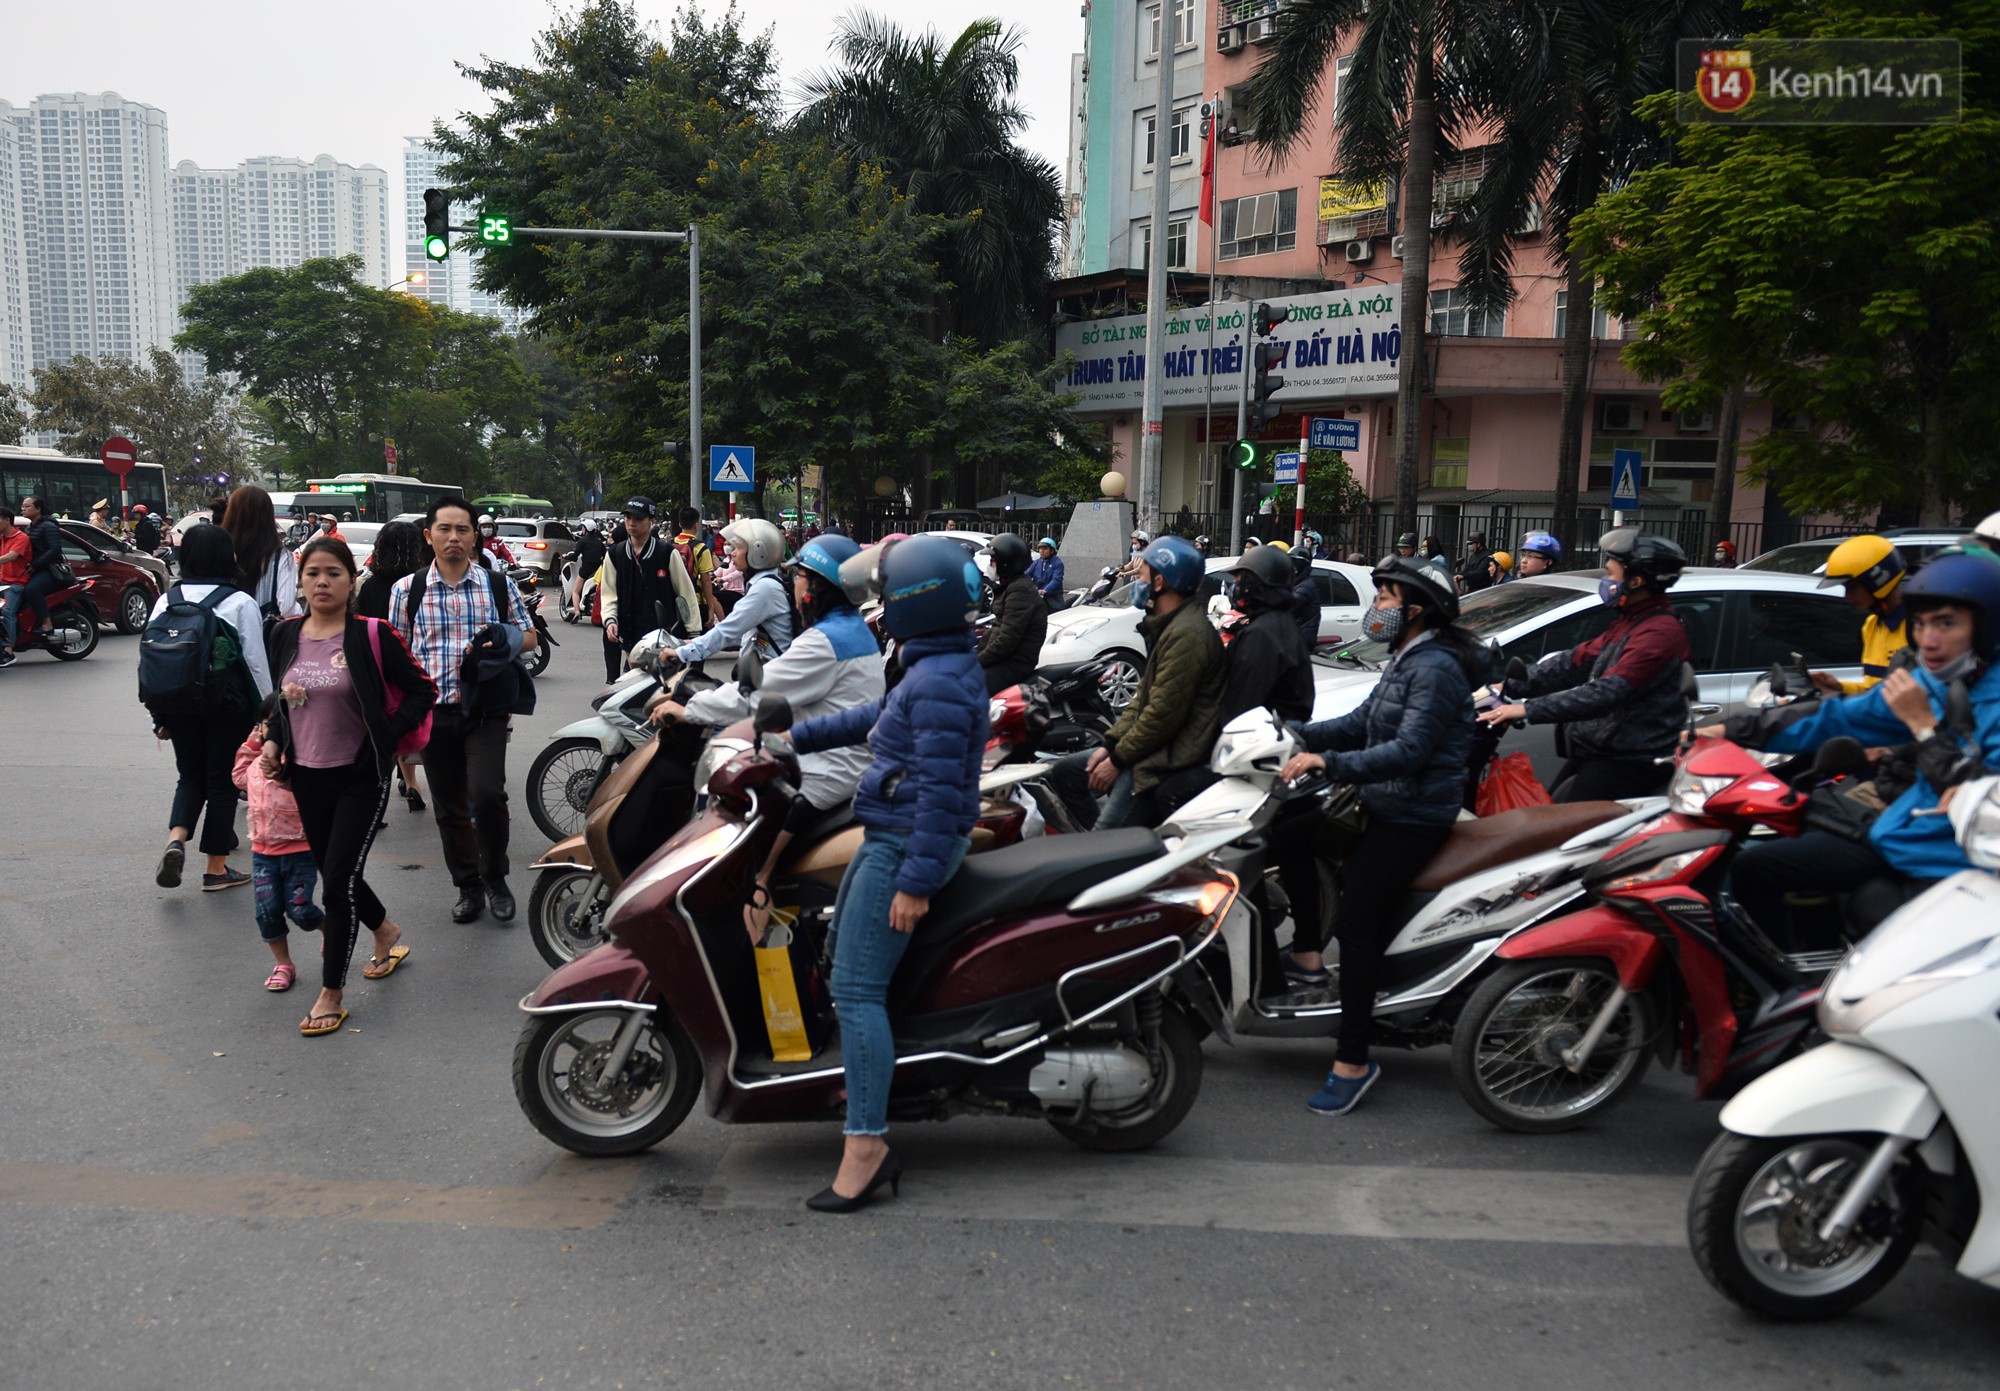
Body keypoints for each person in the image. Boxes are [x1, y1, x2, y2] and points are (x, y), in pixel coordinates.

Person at [783, 535, 988, 1211]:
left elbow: (938, 792)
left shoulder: (938, 680)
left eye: (888, 595)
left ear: (914, 601)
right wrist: (791, 734)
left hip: (903, 844)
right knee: (840, 959)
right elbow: (879, 718)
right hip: (889, 833)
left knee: (856, 990)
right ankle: (864, 1086)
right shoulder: (935, 667)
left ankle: (867, 1145)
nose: (879, 606)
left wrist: (915, 883)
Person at [1714, 550, 2000, 951]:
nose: (1928, 640)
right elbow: (1839, 717)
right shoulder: (1934, 682)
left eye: (1946, 623)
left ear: (1985, 628)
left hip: (1956, 861)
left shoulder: (1985, 699)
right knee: (1755, 867)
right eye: (1920, 624)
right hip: (1900, 839)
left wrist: (1922, 727)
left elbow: (1982, 803)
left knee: (1873, 910)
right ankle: (1788, 980)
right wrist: (1729, 729)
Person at [1277, 556, 1480, 1115]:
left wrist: (1328, 762)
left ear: (1416, 611)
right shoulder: (1407, 657)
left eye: (1387, 598)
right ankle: (1306, 955)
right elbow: (1361, 722)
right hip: (1381, 798)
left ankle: (1353, 1060)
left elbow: (1409, 751)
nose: (1378, 607)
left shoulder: (1435, 668)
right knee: (1288, 834)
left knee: (1357, 927)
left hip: (1412, 814)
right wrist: (1292, 735)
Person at [652, 534, 886, 934]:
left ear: (817, 588)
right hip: (826, 751)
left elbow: (756, 692)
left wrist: (689, 710)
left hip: (827, 769)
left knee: (746, 853)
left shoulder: (825, 642)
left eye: (799, 577)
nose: (793, 584)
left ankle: (755, 916)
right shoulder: (851, 630)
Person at [265, 537, 438, 1036]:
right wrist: (274, 741)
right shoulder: (284, 634)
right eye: (313, 573)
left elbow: (422, 690)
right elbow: (279, 702)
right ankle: (386, 929)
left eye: (333, 573)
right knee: (337, 869)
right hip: (307, 775)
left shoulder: (372, 634)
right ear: (301, 582)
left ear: (350, 580)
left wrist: (383, 739)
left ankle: (331, 993)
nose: (322, 582)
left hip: (360, 776)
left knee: (337, 881)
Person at [389, 499, 537, 924]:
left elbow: (529, 636)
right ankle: (468, 886)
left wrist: (503, 638)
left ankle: (496, 879)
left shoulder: (497, 585)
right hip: (434, 712)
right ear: (429, 535)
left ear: (475, 536)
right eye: (445, 529)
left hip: (485, 709)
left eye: (462, 529)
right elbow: (396, 651)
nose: (453, 537)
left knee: (488, 794)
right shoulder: (407, 589)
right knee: (449, 805)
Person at [1478, 529, 1691, 802]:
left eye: (1611, 573)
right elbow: (1576, 661)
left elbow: (1607, 692)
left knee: (1560, 824)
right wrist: (1508, 686)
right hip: (1603, 749)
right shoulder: (1632, 621)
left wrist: (1525, 709)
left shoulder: (1658, 633)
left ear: (1636, 581)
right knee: (1550, 811)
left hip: (1629, 760)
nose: (1606, 581)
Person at [1048, 536, 1224, 831]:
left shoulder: (1188, 635)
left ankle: (1108, 847)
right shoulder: (1168, 626)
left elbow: (1161, 715)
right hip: (1147, 747)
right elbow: (1141, 700)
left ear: (1160, 582)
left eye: (1142, 575)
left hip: (1166, 755)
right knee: (1065, 772)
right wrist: (1110, 745)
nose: (1137, 581)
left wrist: (1116, 760)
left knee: (1106, 838)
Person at [148, 524, 274, 893]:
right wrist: (268, 715)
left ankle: (176, 839)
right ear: (225, 557)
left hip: (177, 703)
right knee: (221, 781)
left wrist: (159, 716)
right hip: (225, 706)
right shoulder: (238, 602)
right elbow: (255, 664)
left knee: (189, 776)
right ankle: (216, 868)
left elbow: (152, 664)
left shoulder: (166, 600)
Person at [232, 698, 326, 993]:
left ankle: (328, 929)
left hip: (299, 850)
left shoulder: (300, 762)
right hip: (263, 853)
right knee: (267, 912)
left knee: (300, 909)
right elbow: (238, 778)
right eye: (265, 724)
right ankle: (283, 965)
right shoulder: (255, 763)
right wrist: (251, 745)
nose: (271, 730)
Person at [354, 520, 431, 813]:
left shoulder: (370, 586)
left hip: (375, 667)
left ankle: (380, 800)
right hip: (411, 666)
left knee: (381, 732)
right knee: (410, 726)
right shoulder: (419, 583)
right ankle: (411, 782)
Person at [673, 517, 794, 669]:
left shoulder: (765, 589)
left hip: (770, 675)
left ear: (758, 552)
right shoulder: (763, 584)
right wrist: (688, 643)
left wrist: (680, 653)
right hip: (760, 673)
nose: (733, 553)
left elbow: (727, 631)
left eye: (738, 548)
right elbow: (743, 635)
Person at [602, 497, 700, 671]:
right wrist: (610, 620)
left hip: (663, 639)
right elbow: (609, 594)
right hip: (629, 637)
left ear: (651, 521)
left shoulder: (666, 553)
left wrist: (694, 631)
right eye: (628, 518)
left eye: (638, 518)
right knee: (632, 682)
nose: (632, 523)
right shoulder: (615, 554)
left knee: (665, 684)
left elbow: (686, 593)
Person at [1811, 535, 1908, 694]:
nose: (1847, 595)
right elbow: (1873, 690)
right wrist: (1841, 688)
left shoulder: (1918, 628)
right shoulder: (1872, 625)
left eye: (1852, 587)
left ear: (1877, 579)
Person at [978, 533, 1048, 695]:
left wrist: (977, 661)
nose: (990, 565)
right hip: (1005, 659)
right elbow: (997, 629)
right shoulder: (1011, 586)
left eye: (993, 560)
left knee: (971, 690)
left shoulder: (1019, 590)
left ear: (1006, 562)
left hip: (1015, 663)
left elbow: (1007, 640)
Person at [222, 484, 298, 630]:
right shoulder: (281, 557)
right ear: (268, 515)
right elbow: (287, 608)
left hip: (225, 635)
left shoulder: (220, 552)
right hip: (263, 635)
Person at [19, 495, 63, 635]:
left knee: (32, 590)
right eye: (22, 506)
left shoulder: (48, 526)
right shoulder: (29, 528)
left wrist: (36, 564)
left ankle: (47, 623)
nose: (23, 509)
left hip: (49, 569)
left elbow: (55, 549)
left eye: (27, 506)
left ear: (38, 509)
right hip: (35, 569)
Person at [672, 506, 723, 626]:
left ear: (679, 524)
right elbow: (706, 580)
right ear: (696, 525)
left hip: (674, 600)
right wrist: (710, 608)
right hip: (695, 602)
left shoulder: (669, 545)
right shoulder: (700, 548)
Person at [0, 504, 29, 665]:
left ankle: (9, 651)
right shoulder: (3, 538)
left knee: (7, 612)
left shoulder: (21, 538)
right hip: (3, 581)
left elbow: (12, 556)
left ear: (6, 520)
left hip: (16, 583)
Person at [1289, 549, 1321, 648]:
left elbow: (1289, 606)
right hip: (1297, 636)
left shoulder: (1305, 587)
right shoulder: (1298, 583)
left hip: (1302, 640)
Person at [1028, 537, 1066, 609]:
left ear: (1052, 550)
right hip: (1037, 596)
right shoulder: (1037, 562)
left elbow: (1056, 580)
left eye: (1045, 549)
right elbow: (1027, 574)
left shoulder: (1057, 563)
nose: (1042, 551)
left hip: (1053, 598)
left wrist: (1045, 590)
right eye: (1040, 548)